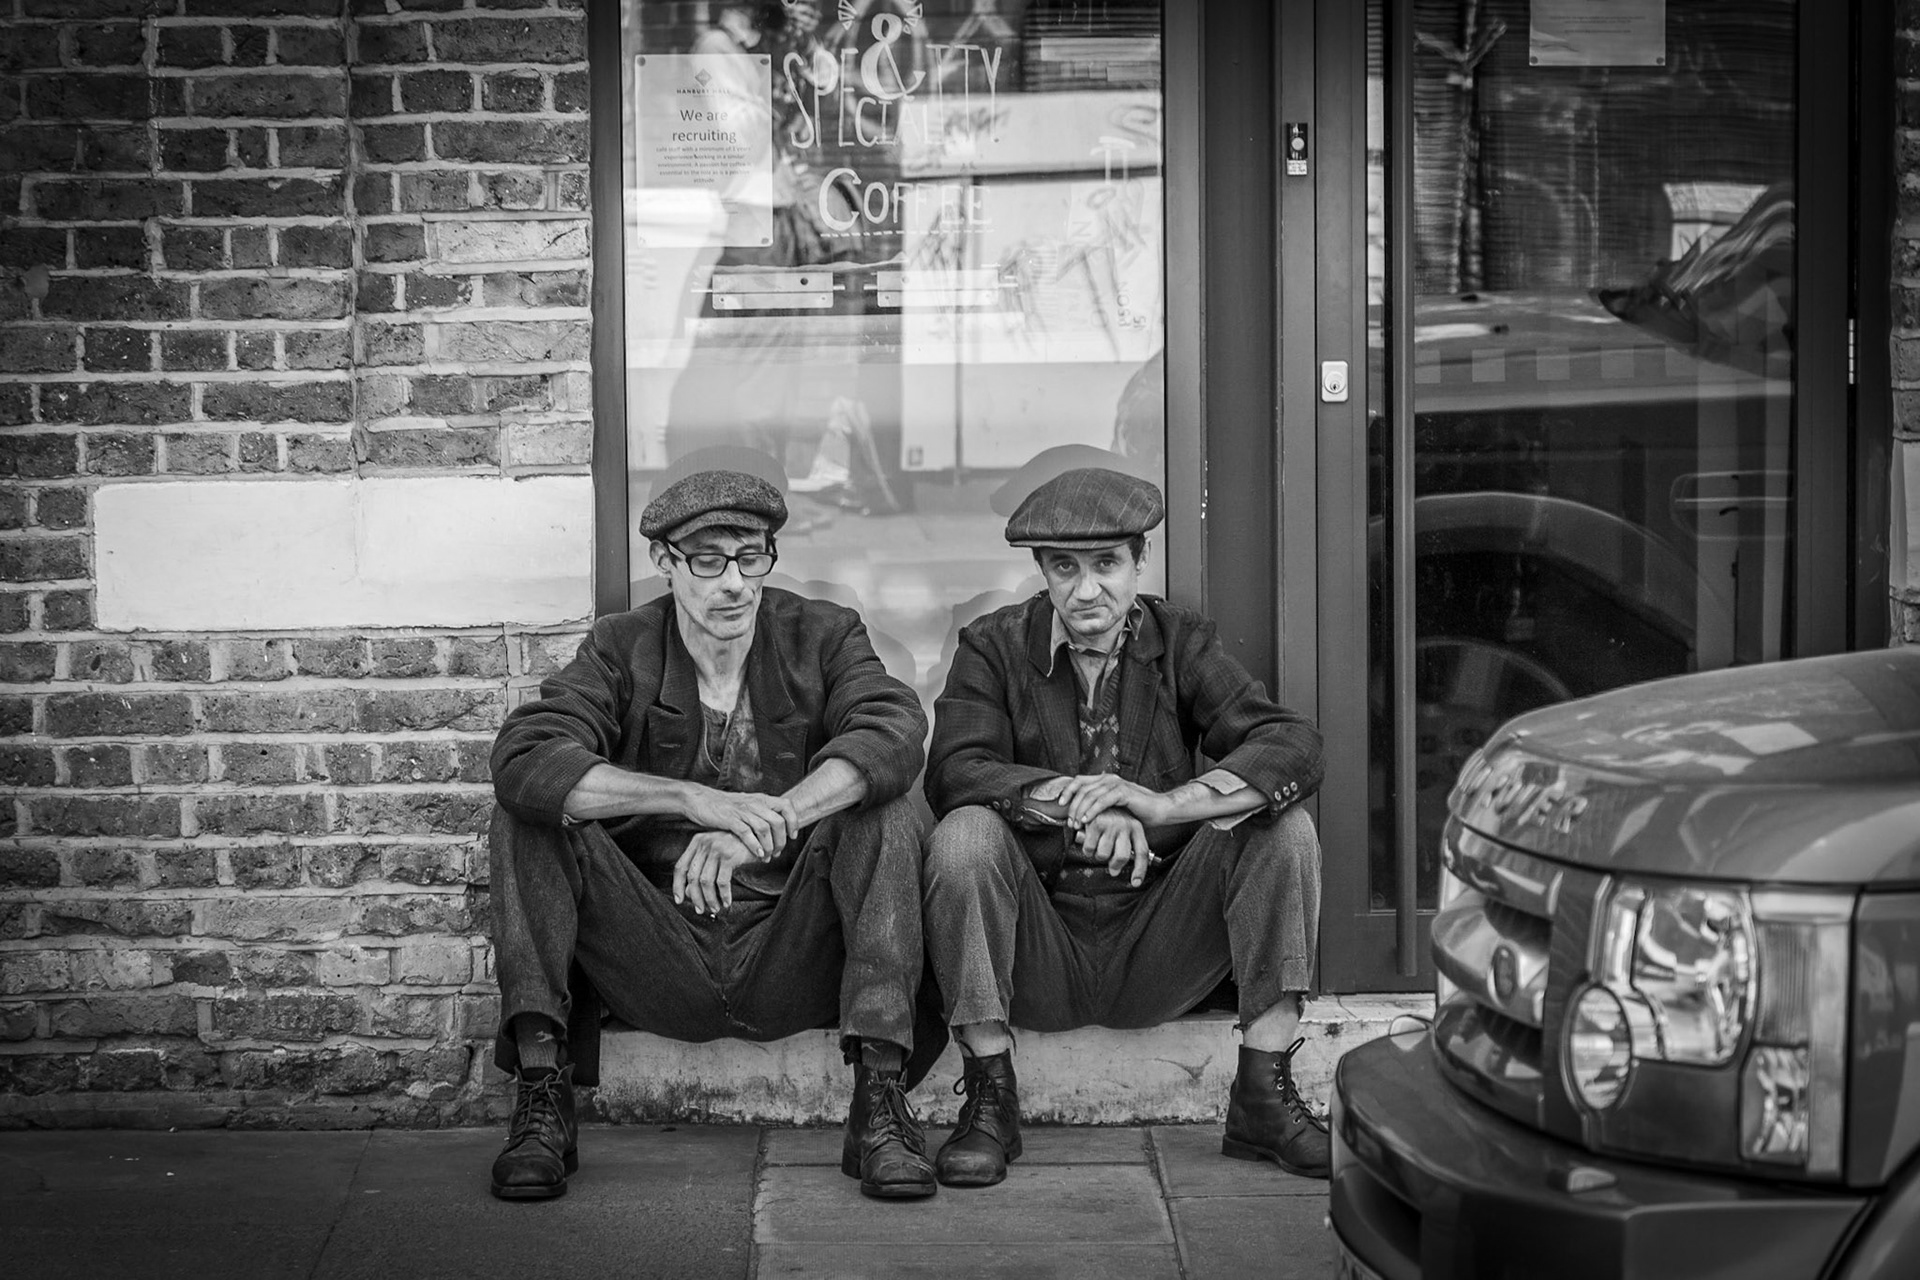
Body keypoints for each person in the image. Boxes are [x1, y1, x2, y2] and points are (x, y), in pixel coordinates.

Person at [486, 469, 942, 1202]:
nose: (733, 582)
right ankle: (543, 1094)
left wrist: (769, 821)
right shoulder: (621, 647)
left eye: (751, 556)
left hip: (791, 950)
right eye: (707, 559)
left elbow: (892, 732)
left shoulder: (822, 635)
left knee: (885, 806)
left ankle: (881, 1105)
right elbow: (526, 756)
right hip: (656, 950)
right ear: (665, 563)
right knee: (530, 810)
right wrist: (694, 800)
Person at [921, 466, 1330, 1187]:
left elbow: (1290, 744)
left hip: (1159, 941)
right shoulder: (991, 646)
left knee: (1282, 826)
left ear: (1139, 562)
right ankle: (990, 1099)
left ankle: (1263, 1098)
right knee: (961, 837)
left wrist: (1163, 805)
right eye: (1065, 568)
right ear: (1041, 572)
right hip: (1038, 949)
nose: (1087, 591)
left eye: (1107, 565)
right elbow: (957, 769)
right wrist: (1085, 802)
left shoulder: (1181, 642)